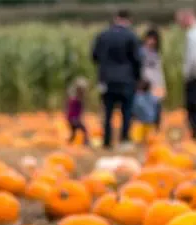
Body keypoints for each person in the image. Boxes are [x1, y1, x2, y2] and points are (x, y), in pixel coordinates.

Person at [92, 10, 142, 149]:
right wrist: (137, 78)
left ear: (116, 19)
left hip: (107, 79)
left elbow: (94, 56)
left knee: (108, 112)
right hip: (127, 78)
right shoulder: (131, 36)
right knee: (126, 111)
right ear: (128, 20)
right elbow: (137, 60)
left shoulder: (103, 35)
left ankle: (107, 141)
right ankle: (124, 140)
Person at [178, 9, 196, 139]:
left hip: (195, 75)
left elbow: (193, 58)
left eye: (181, 22)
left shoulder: (192, 34)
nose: (181, 25)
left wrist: (188, 75)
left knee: (192, 104)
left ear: (187, 19)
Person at [141, 29, 165, 128]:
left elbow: (159, 71)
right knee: (145, 109)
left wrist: (163, 85)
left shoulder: (156, 53)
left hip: (157, 84)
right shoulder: (141, 52)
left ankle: (155, 130)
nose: (152, 41)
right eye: (150, 39)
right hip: (145, 84)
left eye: (154, 39)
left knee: (157, 108)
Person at [66, 77, 90, 146]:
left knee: (74, 131)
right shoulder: (75, 99)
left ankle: (70, 141)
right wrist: (73, 118)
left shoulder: (78, 98)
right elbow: (72, 110)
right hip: (74, 119)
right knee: (84, 130)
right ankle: (86, 142)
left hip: (74, 119)